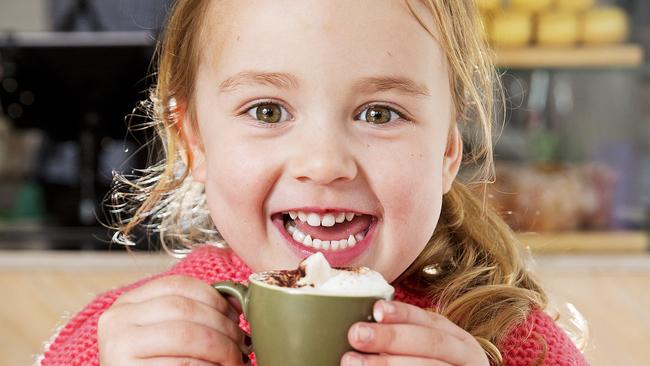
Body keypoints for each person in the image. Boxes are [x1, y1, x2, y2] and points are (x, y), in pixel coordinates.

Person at [39, 1, 588, 365]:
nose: (324, 164)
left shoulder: (515, 344)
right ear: (195, 144)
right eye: (268, 111)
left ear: (447, 149)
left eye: (380, 114)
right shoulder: (118, 343)